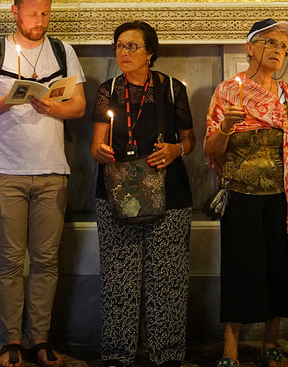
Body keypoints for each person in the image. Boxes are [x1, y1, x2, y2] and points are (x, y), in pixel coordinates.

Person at [0, 0, 87, 367]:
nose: (41, 21)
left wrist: (52, 108)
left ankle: (40, 339)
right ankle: (11, 341)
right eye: (34, 13)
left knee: (47, 260)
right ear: (15, 11)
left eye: (46, 13)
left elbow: (80, 105)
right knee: (9, 260)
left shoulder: (63, 52)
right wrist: (9, 100)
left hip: (53, 169)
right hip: (5, 170)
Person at [204, 18, 288, 367]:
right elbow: (211, 150)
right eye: (271, 42)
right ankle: (231, 346)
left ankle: (271, 343)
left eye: (284, 46)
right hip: (241, 195)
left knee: (282, 269)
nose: (278, 51)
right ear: (250, 47)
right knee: (240, 269)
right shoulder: (229, 92)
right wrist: (226, 126)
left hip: (285, 197)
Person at [90, 21, 195, 367]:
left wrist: (175, 150)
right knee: (119, 276)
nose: (124, 53)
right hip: (118, 193)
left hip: (170, 193)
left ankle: (167, 355)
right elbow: (96, 146)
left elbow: (190, 139)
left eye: (132, 46)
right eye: (119, 46)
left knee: (167, 276)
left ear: (150, 52)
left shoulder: (171, 89)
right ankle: (118, 355)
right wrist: (101, 153)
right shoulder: (109, 90)